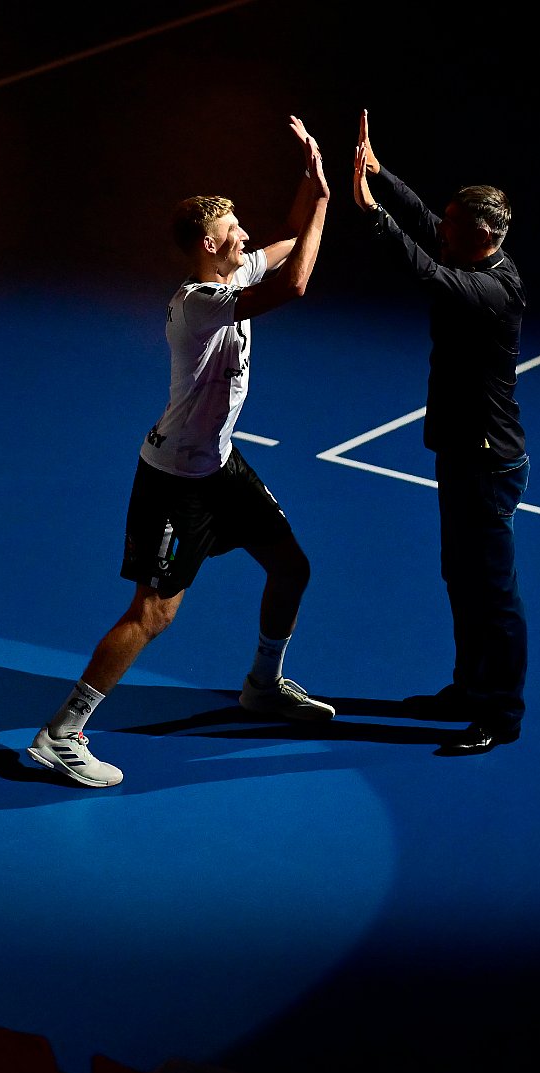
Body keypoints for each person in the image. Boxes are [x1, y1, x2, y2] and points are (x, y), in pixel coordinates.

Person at [28, 117, 334, 788]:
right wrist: (324, 210)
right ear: (207, 244)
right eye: (233, 230)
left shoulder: (232, 272)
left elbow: (287, 243)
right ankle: (61, 733)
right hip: (176, 481)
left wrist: (314, 187)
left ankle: (262, 685)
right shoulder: (199, 303)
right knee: (154, 612)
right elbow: (295, 284)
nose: (245, 236)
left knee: (290, 567)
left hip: (220, 463)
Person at [352, 109, 529, 755]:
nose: (439, 230)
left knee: (494, 595)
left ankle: (501, 713)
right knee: (460, 578)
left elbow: (422, 267)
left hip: (487, 464)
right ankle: (468, 687)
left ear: (479, 235)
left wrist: (372, 213)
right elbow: (427, 224)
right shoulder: (470, 251)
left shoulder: (488, 290)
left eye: (452, 225)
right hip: (460, 452)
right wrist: (381, 175)